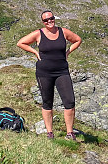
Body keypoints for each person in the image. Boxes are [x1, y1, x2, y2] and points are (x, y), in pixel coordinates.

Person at [17, 10, 82, 140]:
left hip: (62, 71)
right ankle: (50, 133)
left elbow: (77, 40)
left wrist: (68, 52)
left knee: (69, 101)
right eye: (46, 20)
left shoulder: (63, 32)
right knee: (47, 102)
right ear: (43, 22)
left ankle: (70, 133)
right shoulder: (38, 34)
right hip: (44, 73)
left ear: (54, 18)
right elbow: (21, 43)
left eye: (51, 18)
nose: (49, 22)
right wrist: (35, 52)